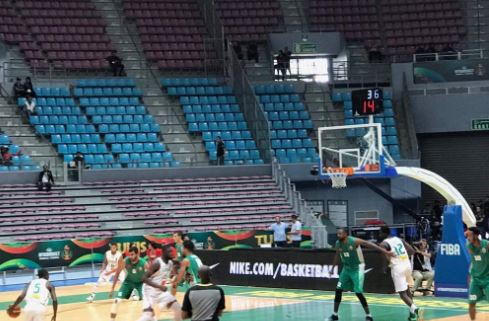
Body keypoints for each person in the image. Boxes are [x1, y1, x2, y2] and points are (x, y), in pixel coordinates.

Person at [328, 228, 394, 321]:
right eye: (337, 234)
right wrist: (332, 269)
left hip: (357, 268)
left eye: (340, 234)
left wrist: (384, 251)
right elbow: (337, 255)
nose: (338, 235)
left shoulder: (354, 241)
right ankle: (335, 315)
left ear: (345, 234)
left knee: (358, 292)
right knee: (338, 289)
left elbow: (368, 243)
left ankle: (369, 315)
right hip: (346, 269)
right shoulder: (338, 243)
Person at [379, 226, 421, 321]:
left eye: (380, 232)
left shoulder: (383, 243)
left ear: (384, 233)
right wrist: (403, 257)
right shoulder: (399, 239)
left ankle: (415, 309)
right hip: (407, 265)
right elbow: (412, 251)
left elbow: (385, 256)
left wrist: (384, 267)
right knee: (407, 290)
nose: (379, 234)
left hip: (398, 268)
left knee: (402, 294)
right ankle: (412, 314)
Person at [137, 245, 182, 321]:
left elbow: (175, 269)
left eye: (172, 251)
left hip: (161, 292)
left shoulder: (170, 263)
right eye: (169, 251)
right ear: (164, 252)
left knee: (178, 308)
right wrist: (159, 286)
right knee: (148, 317)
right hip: (149, 292)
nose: (172, 253)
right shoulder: (157, 263)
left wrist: (178, 267)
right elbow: (144, 278)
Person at [109, 246, 145, 321]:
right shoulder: (125, 261)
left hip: (140, 283)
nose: (130, 256)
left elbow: (151, 273)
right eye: (129, 254)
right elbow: (117, 273)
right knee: (116, 301)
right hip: (128, 282)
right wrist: (112, 288)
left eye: (132, 254)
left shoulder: (143, 262)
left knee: (146, 303)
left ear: (137, 254)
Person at [466, 226, 489, 320]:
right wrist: (469, 274)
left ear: (476, 235)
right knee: (471, 303)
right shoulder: (469, 246)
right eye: (467, 235)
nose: (468, 238)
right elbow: (473, 260)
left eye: (470, 235)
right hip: (476, 279)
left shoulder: (486, 244)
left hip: (487, 278)